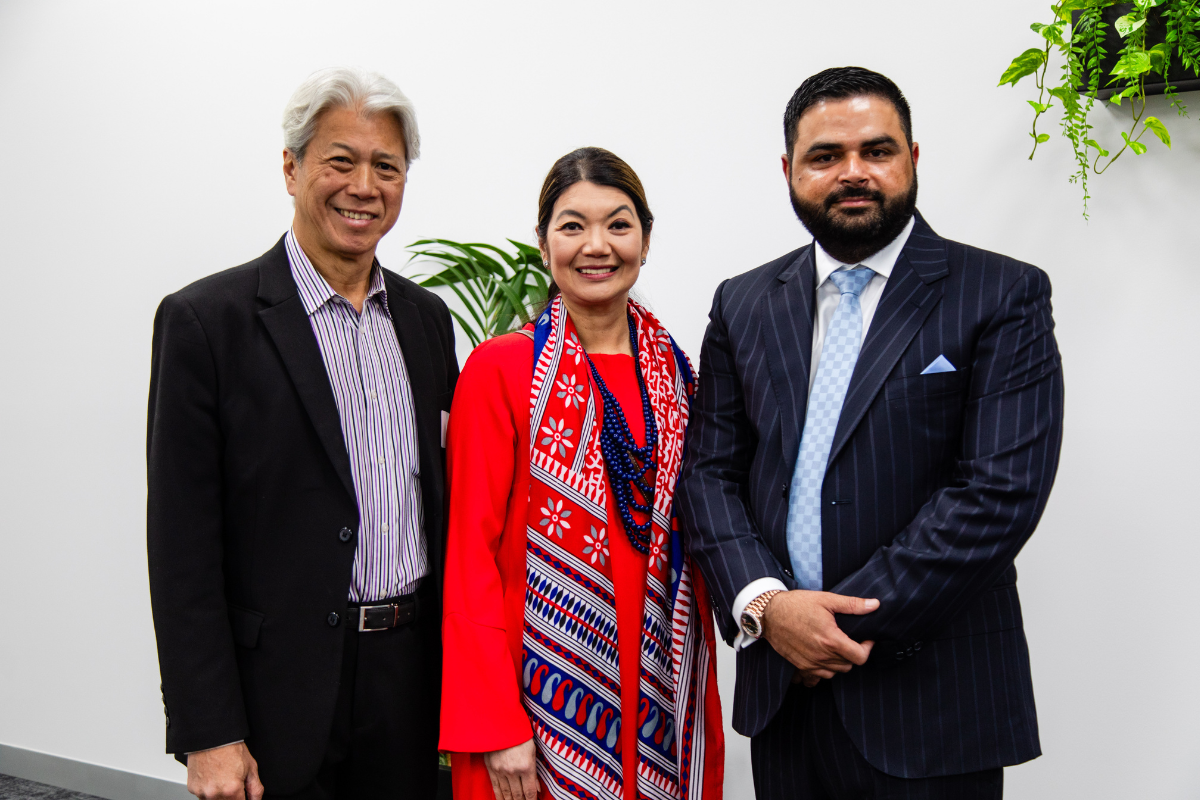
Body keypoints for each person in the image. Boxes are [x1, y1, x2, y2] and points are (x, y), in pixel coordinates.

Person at [677, 67, 1064, 799]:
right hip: (784, 700)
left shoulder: (1001, 293)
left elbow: (998, 494)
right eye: (825, 156)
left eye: (876, 150)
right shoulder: (745, 303)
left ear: (913, 159)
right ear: (789, 171)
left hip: (933, 704)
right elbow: (710, 474)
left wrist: (830, 627)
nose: (853, 172)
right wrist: (769, 606)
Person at [147, 67, 457, 800]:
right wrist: (208, 730)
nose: (364, 187)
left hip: (410, 683)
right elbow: (181, 546)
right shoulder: (205, 323)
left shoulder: (426, 322)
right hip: (275, 692)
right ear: (292, 168)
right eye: (340, 161)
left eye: (387, 167)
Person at [438, 147, 725, 800]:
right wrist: (493, 723)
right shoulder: (500, 370)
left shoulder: (680, 377)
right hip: (531, 703)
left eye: (618, 225)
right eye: (572, 226)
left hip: (660, 693)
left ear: (645, 241)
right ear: (543, 244)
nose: (597, 245)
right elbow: (469, 559)